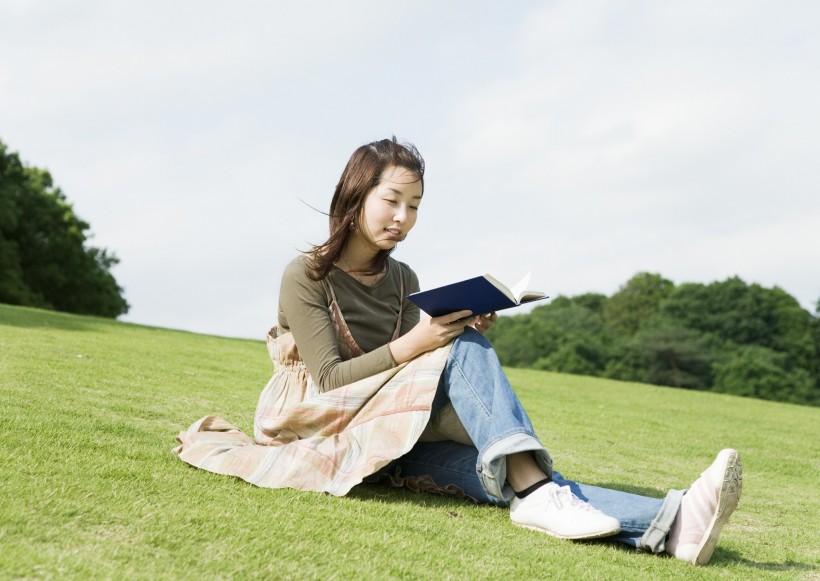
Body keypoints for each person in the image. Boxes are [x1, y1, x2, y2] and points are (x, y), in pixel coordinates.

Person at [174, 137, 742, 566]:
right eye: (392, 200)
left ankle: (675, 526)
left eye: (415, 206)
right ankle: (565, 498)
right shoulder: (306, 274)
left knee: (513, 475)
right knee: (507, 440)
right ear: (356, 195)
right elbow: (327, 378)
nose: (403, 218)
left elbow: (416, 363)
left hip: (386, 431)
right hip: (321, 428)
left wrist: (457, 323)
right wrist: (422, 340)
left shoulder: (402, 277)